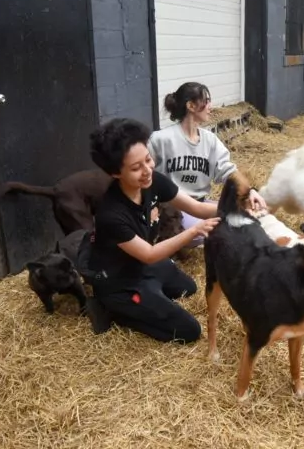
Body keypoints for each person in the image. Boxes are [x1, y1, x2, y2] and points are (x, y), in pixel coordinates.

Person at [85, 118, 220, 343]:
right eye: (136, 168)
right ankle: (114, 311)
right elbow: (149, 254)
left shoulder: (152, 181)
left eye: (148, 159)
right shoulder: (111, 214)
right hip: (120, 283)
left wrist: (239, 205)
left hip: (141, 265)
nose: (147, 170)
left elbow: (196, 207)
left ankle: (150, 298)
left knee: (188, 288)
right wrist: (193, 230)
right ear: (115, 173)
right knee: (189, 331)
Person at [148, 81, 267, 247]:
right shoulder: (161, 139)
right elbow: (145, 175)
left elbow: (227, 170)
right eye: (206, 100)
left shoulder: (210, 140)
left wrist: (249, 192)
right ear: (190, 105)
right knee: (213, 231)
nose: (211, 106)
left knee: (246, 217)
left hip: (201, 204)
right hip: (174, 210)